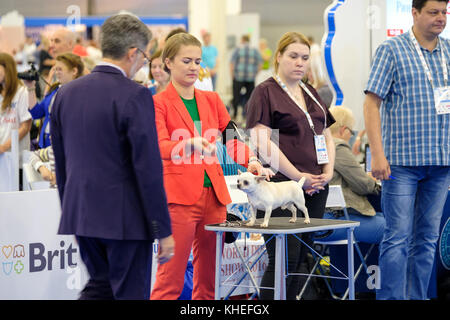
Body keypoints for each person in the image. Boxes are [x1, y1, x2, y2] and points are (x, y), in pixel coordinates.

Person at [50, 14, 174, 300]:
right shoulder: (135, 95)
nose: (144, 61)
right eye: (145, 55)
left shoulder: (66, 94)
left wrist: (70, 210)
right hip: (124, 221)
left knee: (101, 288)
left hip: (82, 216)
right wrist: (162, 228)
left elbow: (62, 163)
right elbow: (148, 168)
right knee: (126, 292)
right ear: (133, 53)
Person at [150, 32, 265, 300]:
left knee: (210, 281)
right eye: (186, 61)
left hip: (214, 199)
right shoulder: (158, 104)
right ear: (168, 62)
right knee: (170, 280)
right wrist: (189, 144)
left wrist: (250, 160)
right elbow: (160, 147)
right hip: (177, 200)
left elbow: (232, 138)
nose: (194, 67)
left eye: (197, 61)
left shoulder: (212, 100)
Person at [363, 0, 450, 300]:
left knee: (427, 240)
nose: (441, 18)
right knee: (397, 239)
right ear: (414, 13)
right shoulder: (391, 50)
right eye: (433, 12)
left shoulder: (449, 51)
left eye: (444, 12)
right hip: (400, 163)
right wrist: (377, 153)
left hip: (441, 163)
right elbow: (371, 103)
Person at [246, 31, 336, 300]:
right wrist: (298, 177)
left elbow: (327, 135)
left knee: (301, 260)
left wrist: (328, 172)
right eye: (293, 56)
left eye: (305, 58)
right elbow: (262, 142)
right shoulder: (265, 92)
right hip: (279, 188)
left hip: (316, 187)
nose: (300, 63)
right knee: (283, 258)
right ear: (278, 57)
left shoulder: (311, 91)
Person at [319, 106, 384, 244]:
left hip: (317, 221)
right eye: (351, 131)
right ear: (343, 129)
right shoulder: (339, 147)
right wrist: (372, 181)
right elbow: (364, 185)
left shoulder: (318, 144)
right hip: (335, 221)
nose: (351, 135)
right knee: (396, 229)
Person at [25, 53, 84, 149]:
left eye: (60, 69)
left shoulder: (79, 94)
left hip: (65, 146)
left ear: (74, 71)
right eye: (56, 69)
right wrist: (31, 88)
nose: (56, 72)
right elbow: (37, 113)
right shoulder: (54, 89)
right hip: (45, 144)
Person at [0, 53, 32, 162]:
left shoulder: (22, 92)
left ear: (7, 68)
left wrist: (4, 147)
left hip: (16, 157)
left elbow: (25, 127)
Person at [230, 35, 262, 120]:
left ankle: (235, 114)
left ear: (242, 40)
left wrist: (232, 74)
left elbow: (232, 62)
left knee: (236, 96)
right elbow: (260, 63)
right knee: (250, 98)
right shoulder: (255, 49)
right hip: (250, 78)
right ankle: (247, 115)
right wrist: (255, 74)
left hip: (238, 76)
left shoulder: (238, 48)